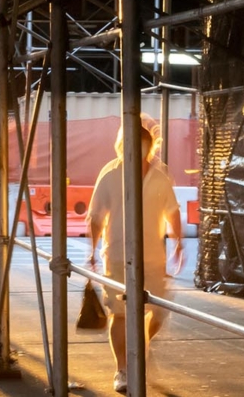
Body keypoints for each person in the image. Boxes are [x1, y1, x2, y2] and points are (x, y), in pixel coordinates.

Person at [85, 124, 184, 393]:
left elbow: (172, 210)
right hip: (117, 255)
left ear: (149, 146)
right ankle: (123, 369)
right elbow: (96, 216)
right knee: (120, 314)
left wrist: (178, 243)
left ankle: (140, 346)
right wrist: (93, 251)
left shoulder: (159, 175)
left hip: (153, 258)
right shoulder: (110, 173)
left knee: (158, 314)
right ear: (121, 146)